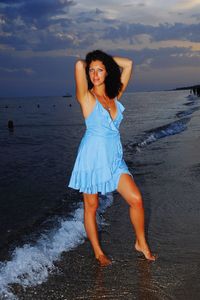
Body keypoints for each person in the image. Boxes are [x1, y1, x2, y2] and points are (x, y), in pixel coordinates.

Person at [68, 50, 156, 266]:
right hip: (91, 158)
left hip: (115, 159)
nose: (95, 74)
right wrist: (90, 63)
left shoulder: (114, 95)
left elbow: (129, 63)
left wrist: (106, 60)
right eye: (92, 70)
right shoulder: (86, 97)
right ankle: (98, 253)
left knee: (136, 199)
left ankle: (140, 242)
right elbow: (79, 65)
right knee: (91, 205)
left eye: (100, 70)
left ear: (107, 72)